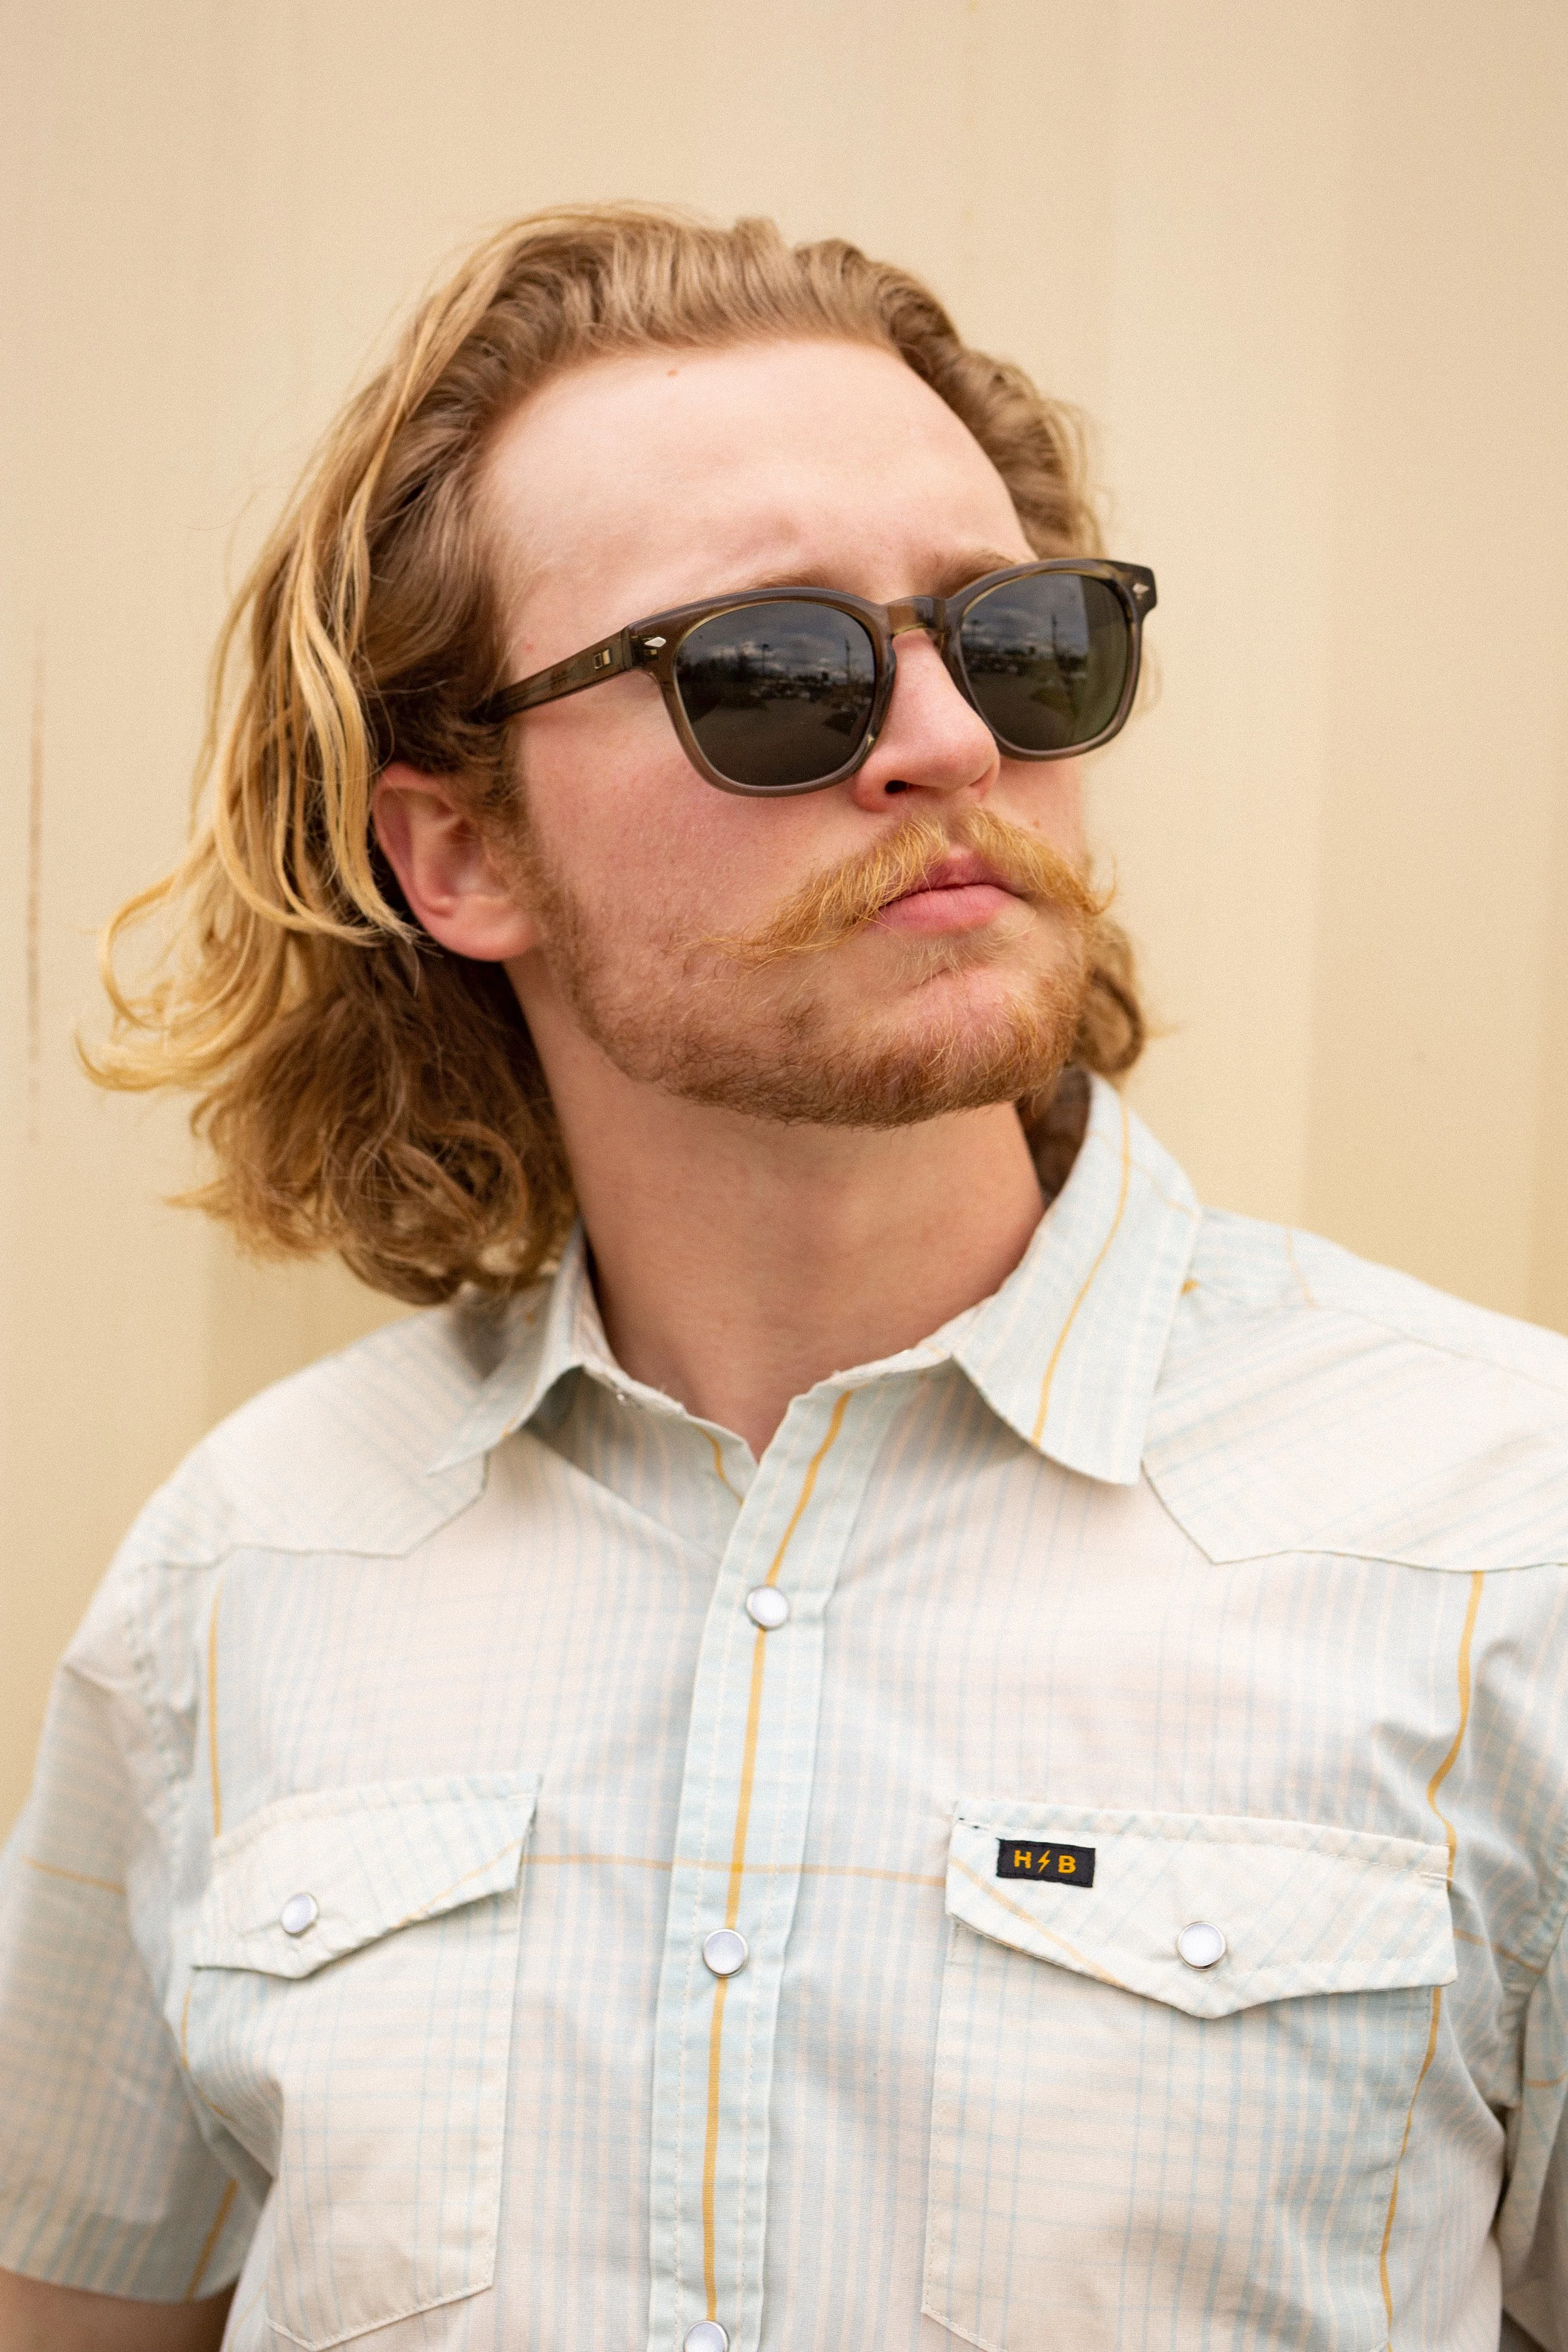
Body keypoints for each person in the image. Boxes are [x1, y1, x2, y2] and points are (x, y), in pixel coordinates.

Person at [0, 206, 1562, 2352]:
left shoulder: (1507, 1535)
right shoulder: (244, 1579)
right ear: (458, 850)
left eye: (1016, 643)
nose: (941, 743)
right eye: (771, 671)